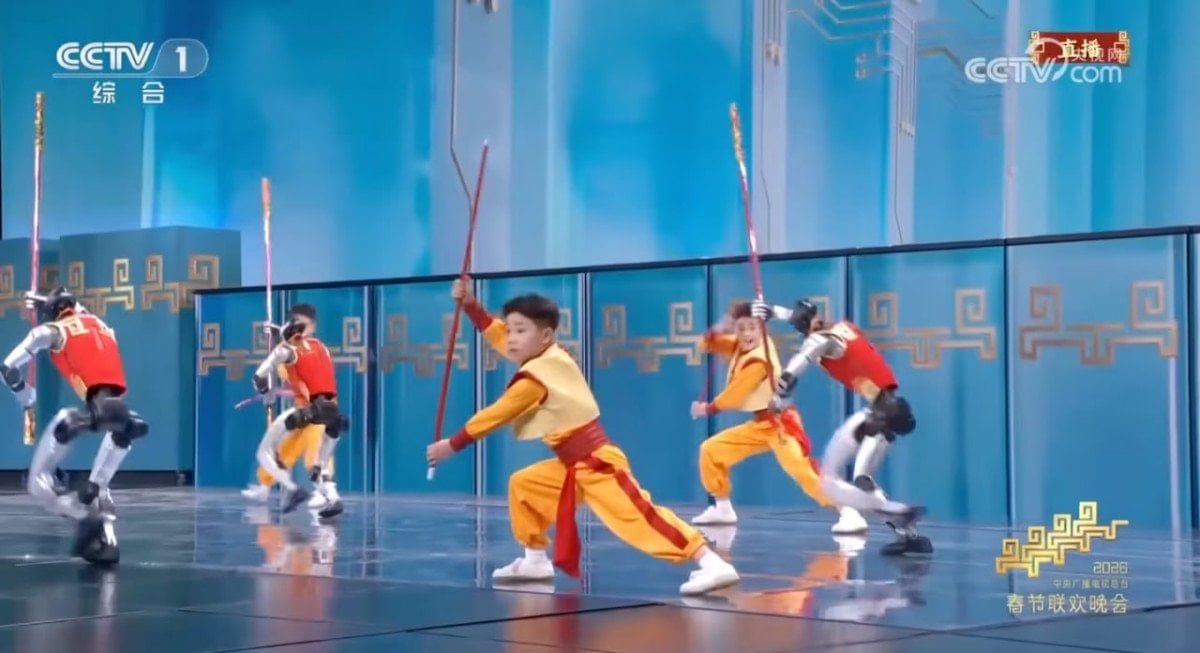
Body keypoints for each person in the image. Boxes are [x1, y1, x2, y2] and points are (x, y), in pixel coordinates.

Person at [425, 277, 740, 595]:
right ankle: (534, 560)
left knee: (639, 517)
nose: (511, 338)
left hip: (596, 462)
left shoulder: (536, 377)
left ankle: (711, 563)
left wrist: (451, 445)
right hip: (571, 465)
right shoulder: (547, 356)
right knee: (525, 486)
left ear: (545, 335)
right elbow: (499, 336)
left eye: (520, 331)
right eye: (510, 330)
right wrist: (472, 307)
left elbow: (496, 414)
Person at [751, 298, 932, 555]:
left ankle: (899, 511)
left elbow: (795, 368)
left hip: (877, 414)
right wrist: (774, 312)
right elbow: (805, 320)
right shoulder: (844, 327)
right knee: (862, 480)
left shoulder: (819, 339)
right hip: (888, 408)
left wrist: (779, 398)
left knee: (828, 481)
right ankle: (908, 535)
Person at [0, 288, 148, 564]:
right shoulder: (101, 325)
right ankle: (108, 543)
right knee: (98, 485)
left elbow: (8, 368)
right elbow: (79, 313)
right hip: (121, 411)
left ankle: (82, 516)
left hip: (81, 416)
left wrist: (24, 394)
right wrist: (47, 301)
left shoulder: (50, 331)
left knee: (38, 481)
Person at [689, 301, 834, 526]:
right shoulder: (739, 346)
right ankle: (723, 508)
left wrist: (707, 409)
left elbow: (736, 396)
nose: (747, 334)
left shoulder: (759, 359)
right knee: (711, 451)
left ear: (762, 329)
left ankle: (846, 510)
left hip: (780, 424)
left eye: (752, 327)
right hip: (760, 424)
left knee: (802, 471)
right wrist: (723, 324)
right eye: (741, 328)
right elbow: (707, 343)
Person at [249, 304, 346, 519]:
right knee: (308, 457)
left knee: (268, 452)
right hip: (332, 412)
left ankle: (294, 489)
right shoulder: (321, 347)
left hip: (309, 412)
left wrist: (264, 389)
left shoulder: (287, 350)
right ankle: (331, 497)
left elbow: (261, 376)